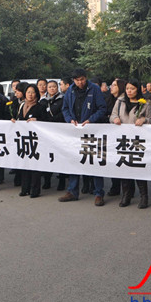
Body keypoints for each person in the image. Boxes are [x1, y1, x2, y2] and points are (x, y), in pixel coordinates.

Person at [58, 68, 108, 205]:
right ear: (73, 80)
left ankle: (99, 193)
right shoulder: (70, 90)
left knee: (95, 161)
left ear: (86, 78)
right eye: (77, 80)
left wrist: (91, 120)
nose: (80, 82)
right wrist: (70, 120)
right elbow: (65, 109)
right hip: (75, 131)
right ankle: (72, 191)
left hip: (92, 131)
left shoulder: (94, 89)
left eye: (82, 79)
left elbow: (102, 108)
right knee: (74, 161)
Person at [110, 79, 151, 208]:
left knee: (139, 168)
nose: (129, 91)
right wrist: (115, 119)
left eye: (132, 89)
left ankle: (144, 197)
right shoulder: (120, 101)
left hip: (138, 141)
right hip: (123, 140)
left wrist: (144, 120)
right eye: (128, 88)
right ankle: (126, 196)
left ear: (138, 89)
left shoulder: (145, 104)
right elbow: (112, 115)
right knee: (125, 168)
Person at [13, 83, 46, 198]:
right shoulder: (22, 106)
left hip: (35, 140)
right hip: (23, 139)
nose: (30, 95)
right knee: (24, 164)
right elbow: (19, 119)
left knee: (35, 166)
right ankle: (24, 188)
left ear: (36, 94)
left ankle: (35, 190)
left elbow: (46, 121)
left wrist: (37, 120)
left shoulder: (40, 106)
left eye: (32, 92)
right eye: (28, 92)